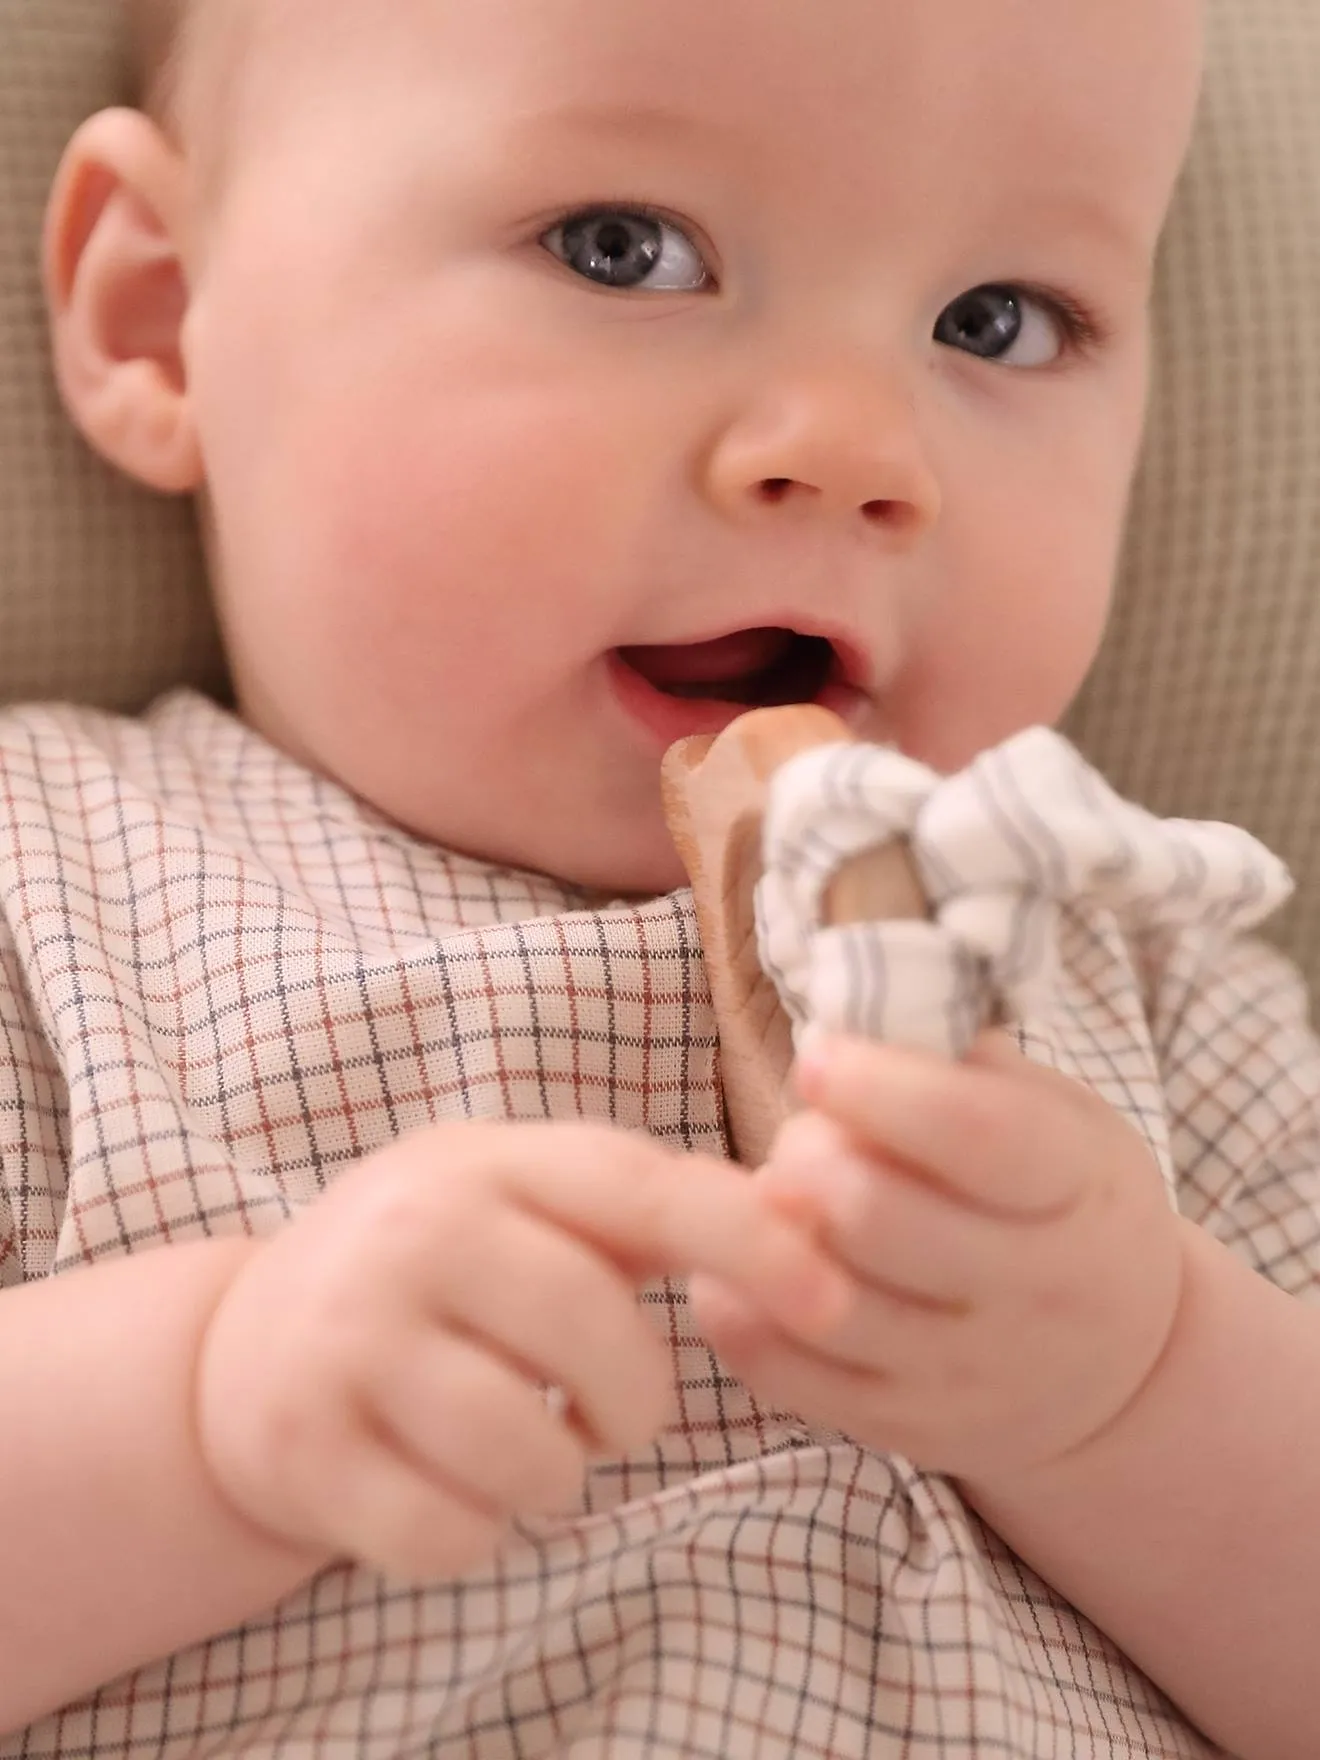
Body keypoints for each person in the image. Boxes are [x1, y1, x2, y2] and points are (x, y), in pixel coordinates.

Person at [2, 0, 1317, 1752]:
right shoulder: (49, 890)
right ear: (165, 317)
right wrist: (199, 1415)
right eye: (626, 251)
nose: (856, 449)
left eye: (995, 320)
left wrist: (1144, 1385)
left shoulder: (1141, 985)